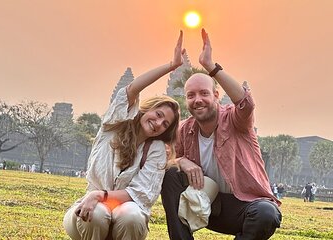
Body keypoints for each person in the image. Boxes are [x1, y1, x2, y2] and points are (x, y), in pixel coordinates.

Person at [161, 29, 282, 240]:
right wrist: (181, 161)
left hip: (243, 207)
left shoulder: (235, 121)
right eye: (191, 95)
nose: (197, 100)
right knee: (170, 174)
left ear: (216, 96)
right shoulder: (184, 129)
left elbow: (246, 104)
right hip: (206, 206)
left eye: (204, 93)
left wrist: (211, 66)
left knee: (266, 213)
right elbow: (164, 160)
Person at [63, 31, 184, 240]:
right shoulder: (115, 125)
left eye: (165, 124)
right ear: (147, 109)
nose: (158, 124)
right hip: (88, 213)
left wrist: (100, 195)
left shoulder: (156, 150)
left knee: (132, 215)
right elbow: (130, 90)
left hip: (124, 217)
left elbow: (140, 194)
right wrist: (171, 66)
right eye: (158, 115)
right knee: (99, 213)